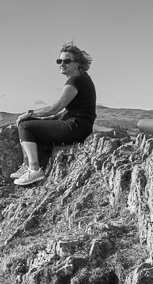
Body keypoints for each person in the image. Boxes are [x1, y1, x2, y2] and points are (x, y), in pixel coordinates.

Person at [11, 42, 96, 186]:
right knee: (30, 125)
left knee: (26, 126)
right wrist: (45, 119)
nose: (61, 64)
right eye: (59, 61)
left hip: (76, 127)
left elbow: (55, 108)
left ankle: (34, 169)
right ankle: (27, 165)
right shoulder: (82, 78)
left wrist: (29, 113)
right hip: (79, 126)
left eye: (66, 61)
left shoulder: (76, 80)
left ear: (77, 63)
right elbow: (65, 110)